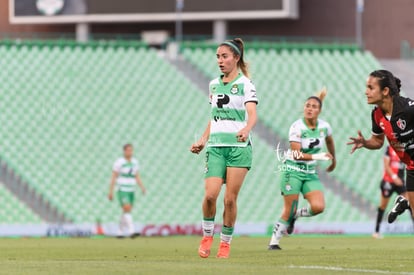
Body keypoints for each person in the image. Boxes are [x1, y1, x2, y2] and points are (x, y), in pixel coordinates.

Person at [190, 38, 258, 259]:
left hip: (238, 148)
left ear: (236, 58)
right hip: (216, 147)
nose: (220, 61)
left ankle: (225, 244)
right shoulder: (213, 84)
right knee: (210, 196)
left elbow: (253, 114)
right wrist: (202, 140)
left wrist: (247, 129)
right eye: (218, 56)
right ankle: (208, 235)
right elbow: (215, 117)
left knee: (230, 199)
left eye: (224, 56)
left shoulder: (246, 84)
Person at [268, 88, 336, 250]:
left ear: (319, 110)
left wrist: (334, 160)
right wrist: (318, 157)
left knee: (319, 207)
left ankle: (296, 216)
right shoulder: (297, 127)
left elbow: (330, 141)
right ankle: (274, 242)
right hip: (292, 170)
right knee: (289, 208)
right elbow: (297, 154)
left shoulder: (325, 127)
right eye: (307, 105)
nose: (310, 109)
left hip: (310, 172)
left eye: (314, 106)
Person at [348, 70, 414, 224]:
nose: (366, 92)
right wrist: (365, 142)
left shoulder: (409, 109)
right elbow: (378, 142)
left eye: (371, 88)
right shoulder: (377, 115)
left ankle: (405, 201)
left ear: (385, 91)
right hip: (411, 169)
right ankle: (406, 201)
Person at [108, 144, 146, 237]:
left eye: (131, 150)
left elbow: (137, 175)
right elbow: (114, 176)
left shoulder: (135, 162)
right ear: (124, 151)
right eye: (128, 150)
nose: (130, 152)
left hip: (131, 189)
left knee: (127, 211)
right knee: (127, 208)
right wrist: (111, 191)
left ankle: (120, 231)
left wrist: (142, 187)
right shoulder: (119, 162)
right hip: (122, 188)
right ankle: (131, 231)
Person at [373, 146, 406, 239]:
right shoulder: (388, 149)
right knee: (383, 206)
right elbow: (386, 166)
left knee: (410, 203)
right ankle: (376, 231)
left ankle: (396, 207)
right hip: (388, 181)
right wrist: (394, 178)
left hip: (400, 182)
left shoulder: (405, 149)